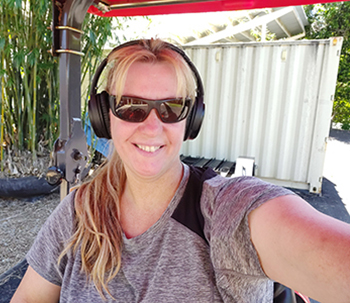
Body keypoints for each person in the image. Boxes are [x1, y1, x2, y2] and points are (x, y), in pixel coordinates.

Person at [11, 39, 350, 303]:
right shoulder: (78, 211)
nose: (152, 126)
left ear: (192, 120)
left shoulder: (227, 211)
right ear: (104, 115)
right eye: (131, 107)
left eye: (171, 108)